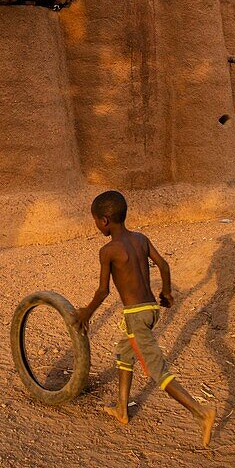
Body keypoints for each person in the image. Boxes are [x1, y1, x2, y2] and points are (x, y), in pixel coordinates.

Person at [74, 190, 216, 447]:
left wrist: (87, 312)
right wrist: (167, 292)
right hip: (150, 310)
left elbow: (104, 290)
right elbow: (163, 265)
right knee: (125, 352)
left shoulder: (108, 251)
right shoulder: (140, 239)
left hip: (137, 315)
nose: (96, 225)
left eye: (95, 220)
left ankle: (200, 412)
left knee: (156, 369)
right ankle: (121, 408)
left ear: (104, 221)